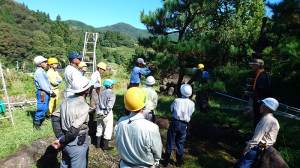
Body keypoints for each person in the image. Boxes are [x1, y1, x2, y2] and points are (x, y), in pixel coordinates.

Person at [114, 87, 162, 167]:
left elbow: (117, 141)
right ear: (144, 104)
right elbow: (157, 153)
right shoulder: (152, 128)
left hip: (124, 164)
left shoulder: (120, 122)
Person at [51, 75, 91, 168]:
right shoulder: (84, 106)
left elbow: (54, 117)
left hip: (66, 138)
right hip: (76, 142)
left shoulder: (66, 100)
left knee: (65, 164)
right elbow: (74, 130)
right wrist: (62, 141)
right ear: (87, 90)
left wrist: (60, 137)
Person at [236, 98, 279, 168]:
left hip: (259, 147)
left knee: (244, 162)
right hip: (268, 146)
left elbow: (257, 138)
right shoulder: (274, 120)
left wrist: (247, 148)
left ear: (265, 107)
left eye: (261, 105)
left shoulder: (266, 120)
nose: (260, 106)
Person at [160, 84, 195, 167]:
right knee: (180, 142)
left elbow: (172, 109)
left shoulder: (176, 101)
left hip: (175, 122)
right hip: (184, 124)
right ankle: (179, 163)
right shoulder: (192, 103)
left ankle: (166, 161)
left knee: (170, 140)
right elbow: (191, 113)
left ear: (181, 91)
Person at [33, 56, 56, 130]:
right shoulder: (39, 72)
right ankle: (37, 124)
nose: (46, 63)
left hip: (45, 92)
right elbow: (43, 85)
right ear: (39, 64)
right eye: (44, 62)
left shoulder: (42, 71)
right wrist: (51, 92)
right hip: (43, 92)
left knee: (45, 108)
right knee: (41, 108)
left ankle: (40, 121)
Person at [95, 79, 116, 150]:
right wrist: (105, 113)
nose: (113, 85)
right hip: (107, 113)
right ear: (110, 86)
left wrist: (98, 112)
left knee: (99, 127)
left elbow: (97, 103)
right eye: (112, 84)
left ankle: (97, 145)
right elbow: (110, 106)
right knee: (108, 128)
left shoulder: (101, 92)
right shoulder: (112, 94)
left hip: (99, 111)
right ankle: (105, 146)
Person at [249, 59, 270, 130]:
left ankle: (256, 136)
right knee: (257, 119)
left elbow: (263, 90)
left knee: (258, 120)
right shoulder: (260, 74)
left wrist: (260, 102)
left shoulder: (262, 76)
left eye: (253, 65)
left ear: (257, 66)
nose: (251, 66)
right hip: (258, 101)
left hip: (260, 103)